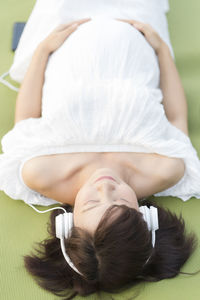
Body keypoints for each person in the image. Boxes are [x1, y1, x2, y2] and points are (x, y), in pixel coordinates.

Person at [0, 1, 200, 299]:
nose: (106, 189)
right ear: (145, 217)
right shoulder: (165, 169)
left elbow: (26, 120)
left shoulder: (40, 173)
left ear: (69, 223)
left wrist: (42, 50)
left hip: (65, 28)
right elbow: (176, 117)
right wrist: (161, 50)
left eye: (91, 205)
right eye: (120, 204)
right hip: (136, 27)